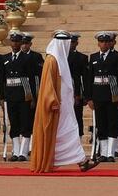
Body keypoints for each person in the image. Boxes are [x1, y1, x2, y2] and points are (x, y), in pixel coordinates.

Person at [30, 30, 99, 173]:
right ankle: (80, 161)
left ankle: (79, 161)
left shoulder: (59, 59)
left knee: (68, 132)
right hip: (55, 106)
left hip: (64, 105)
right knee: (66, 132)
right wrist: (52, 101)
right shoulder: (51, 60)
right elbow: (48, 85)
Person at [85, 31, 118, 162]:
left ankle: (110, 152)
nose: (104, 44)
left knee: (112, 123)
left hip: (112, 94)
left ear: (110, 43)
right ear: (98, 43)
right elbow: (89, 79)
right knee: (101, 124)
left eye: (106, 42)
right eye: (101, 42)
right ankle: (103, 152)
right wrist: (89, 98)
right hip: (98, 95)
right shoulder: (93, 57)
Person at [2, 32, 38, 161]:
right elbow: (2, 79)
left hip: (25, 96)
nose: (15, 44)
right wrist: (2, 97)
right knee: (14, 124)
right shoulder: (5, 59)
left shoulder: (28, 59)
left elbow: (34, 79)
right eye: (13, 41)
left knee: (25, 124)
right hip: (11, 96)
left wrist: (34, 97)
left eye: (18, 42)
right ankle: (16, 152)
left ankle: (23, 152)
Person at [67, 33, 88, 139]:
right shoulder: (60, 56)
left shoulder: (82, 57)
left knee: (77, 117)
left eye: (73, 42)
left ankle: (78, 141)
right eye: (69, 42)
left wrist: (84, 95)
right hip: (63, 92)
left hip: (76, 92)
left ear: (77, 43)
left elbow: (85, 78)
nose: (71, 44)